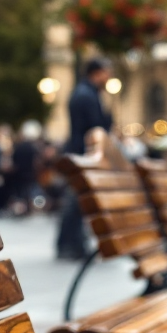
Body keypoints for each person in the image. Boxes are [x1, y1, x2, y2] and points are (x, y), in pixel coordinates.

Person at [56, 58, 114, 259]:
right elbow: (96, 127)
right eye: (107, 72)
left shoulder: (84, 92)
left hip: (79, 154)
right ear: (97, 73)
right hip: (83, 156)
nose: (109, 77)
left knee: (77, 201)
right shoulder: (86, 95)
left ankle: (70, 244)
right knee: (76, 201)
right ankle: (70, 245)